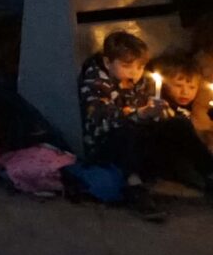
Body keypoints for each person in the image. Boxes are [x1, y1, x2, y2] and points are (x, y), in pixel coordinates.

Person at [78, 31, 210, 217]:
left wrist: (161, 112)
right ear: (108, 63)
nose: (135, 72)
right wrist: (139, 115)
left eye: (140, 67)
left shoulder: (141, 81)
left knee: (178, 124)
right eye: (127, 66)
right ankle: (135, 188)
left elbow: (153, 112)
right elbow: (102, 120)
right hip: (108, 146)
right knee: (130, 132)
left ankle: (208, 172)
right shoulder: (95, 82)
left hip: (141, 141)